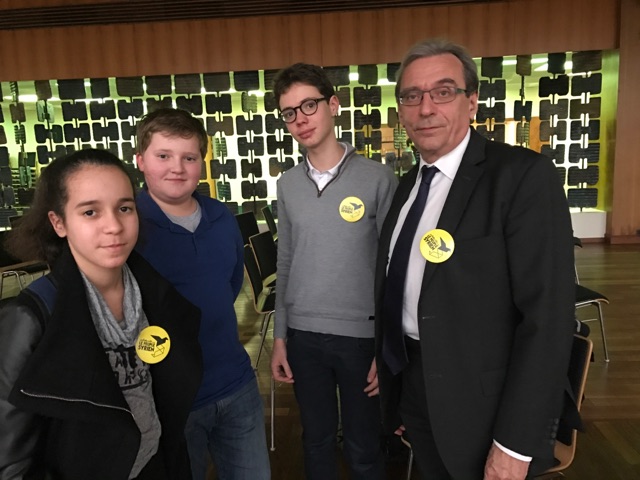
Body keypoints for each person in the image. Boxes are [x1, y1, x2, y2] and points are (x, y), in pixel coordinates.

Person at [374, 39, 576, 480]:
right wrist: (401, 383)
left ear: (472, 101)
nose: (426, 108)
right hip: (418, 388)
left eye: (443, 92)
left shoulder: (521, 177)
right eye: (412, 96)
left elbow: (548, 319)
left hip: (488, 408)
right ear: (401, 111)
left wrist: (514, 444)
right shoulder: (407, 186)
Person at [0, 149, 202, 479]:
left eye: (124, 208)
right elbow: (12, 461)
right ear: (59, 222)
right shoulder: (31, 318)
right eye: (90, 212)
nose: (114, 226)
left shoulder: (155, 294)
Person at [270, 63, 398, 480]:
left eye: (309, 105)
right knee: (316, 441)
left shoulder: (378, 178)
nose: (300, 119)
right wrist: (280, 337)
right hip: (304, 337)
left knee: (364, 447)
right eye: (289, 112)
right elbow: (285, 260)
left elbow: (393, 268)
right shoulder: (287, 184)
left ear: (334, 105)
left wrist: (387, 346)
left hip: (361, 338)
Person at [134, 108, 270, 480]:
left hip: (236, 382)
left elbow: (230, 285)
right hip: (171, 398)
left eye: (189, 158)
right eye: (164, 156)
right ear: (141, 160)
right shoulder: (127, 226)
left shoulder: (221, 217)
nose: (177, 168)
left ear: (201, 162)